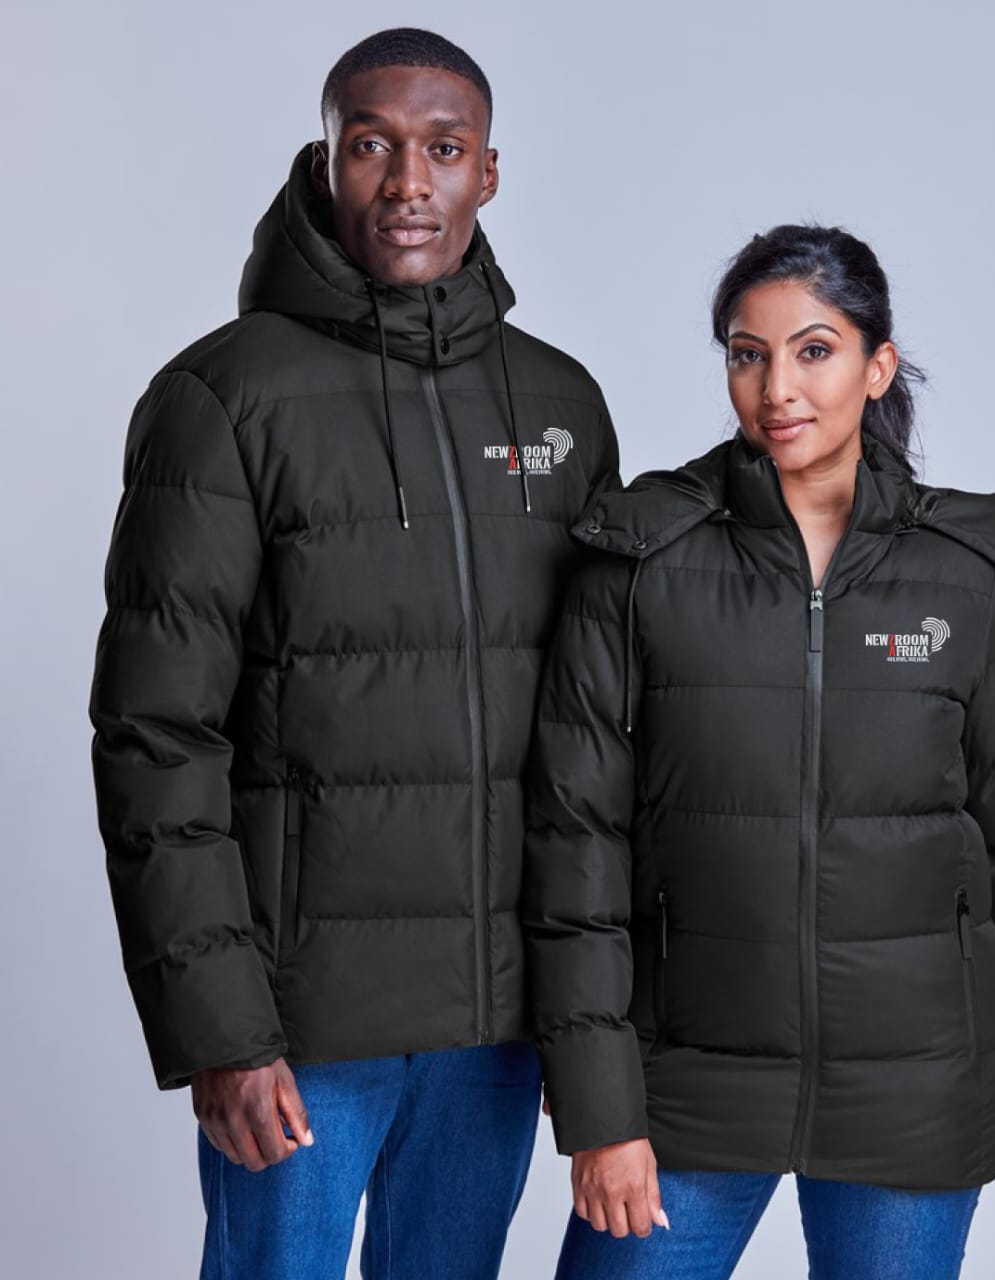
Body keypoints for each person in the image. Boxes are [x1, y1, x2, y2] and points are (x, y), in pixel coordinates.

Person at [88, 27, 620, 1280]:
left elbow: (602, 735)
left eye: (443, 148)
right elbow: (156, 733)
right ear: (325, 161)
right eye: (371, 145)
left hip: (496, 1022)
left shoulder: (559, 406)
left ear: (489, 172)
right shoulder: (220, 399)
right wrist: (221, 1028)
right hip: (300, 1027)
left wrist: (591, 1019)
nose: (407, 183)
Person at [523, 224, 995, 1279]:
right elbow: (576, 846)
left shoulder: (968, 580)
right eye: (747, 354)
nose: (776, 387)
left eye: (814, 350)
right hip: (687, 1084)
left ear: (877, 366)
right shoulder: (639, 565)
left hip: (916, 1093)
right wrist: (599, 1106)